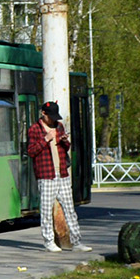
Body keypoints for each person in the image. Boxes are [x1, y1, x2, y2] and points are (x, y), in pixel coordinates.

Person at [26, 101, 91, 252]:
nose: (54, 120)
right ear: (43, 114)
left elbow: (65, 148)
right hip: (46, 175)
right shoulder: (34, 129)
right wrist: (46, 139)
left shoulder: (59, 126)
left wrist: (65, 141)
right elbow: (31, 151)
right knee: (47, 210)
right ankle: (49, 241)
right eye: (51, 117)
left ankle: (76, 242)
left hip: (62, 173)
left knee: (70, 209)